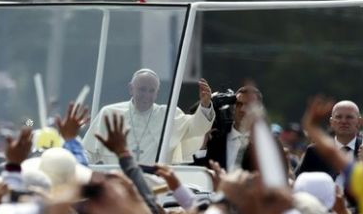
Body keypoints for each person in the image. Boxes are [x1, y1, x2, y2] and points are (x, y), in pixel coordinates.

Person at [82, 69, 215, 164]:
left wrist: (204, 104)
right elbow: (90, 151)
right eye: (142, 89)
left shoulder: (169, 115)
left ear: (157, 93)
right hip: (118, 187)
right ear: (131, 89)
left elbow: (197, 128)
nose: (146, 95)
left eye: (152, 91)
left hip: (156, 188)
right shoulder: (110, 114)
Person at [296, 100, 363, 185]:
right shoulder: (315, 151)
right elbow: (300, 183)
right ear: (331, 122)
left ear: (359, 122)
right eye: (338, 117)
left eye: (349, 117)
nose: (343, 121)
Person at [193, 85, 263, 172]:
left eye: (248, 105)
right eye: (239, 104)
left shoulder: (266, 144)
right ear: (233, 107)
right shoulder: (215, 139)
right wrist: (202, 146)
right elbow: (197, 172)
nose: (242, 109)